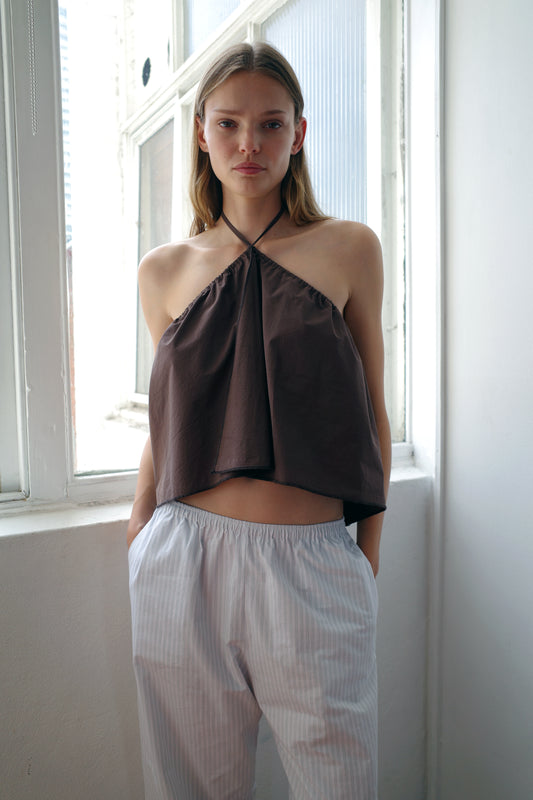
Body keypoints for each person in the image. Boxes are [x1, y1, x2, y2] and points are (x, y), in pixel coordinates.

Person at [127, 41, 391, 800]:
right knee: (192, 788)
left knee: (340, 783)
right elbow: (167, 419)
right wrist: (139, 534)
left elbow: (373, 408)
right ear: (202, 134)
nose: (250, 143)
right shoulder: (163, 270)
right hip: (181, 563)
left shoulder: (348, 249)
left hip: (313, 564)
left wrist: (364, 560)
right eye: (229, 123)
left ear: (298, 134)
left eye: (271, 124)